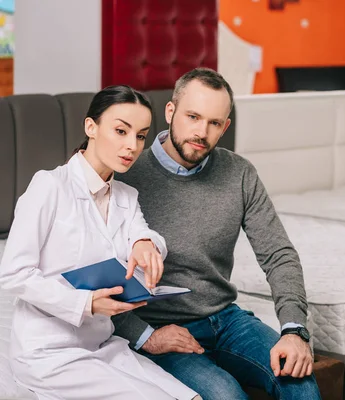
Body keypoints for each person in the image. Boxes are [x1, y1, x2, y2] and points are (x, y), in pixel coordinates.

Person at [113, 68, 322, 399]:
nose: (201, 131)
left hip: (226, 319)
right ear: (170, 112)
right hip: (160, 327)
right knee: (226, 395)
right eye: (192, 116)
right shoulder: (124, 173)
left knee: (301, 383)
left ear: (225, 127)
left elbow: (278, 255)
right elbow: (93, 277)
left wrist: (294, 329)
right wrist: (144, 335)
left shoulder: (239, 173)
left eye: (213, 123)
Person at [0, 86, 200, 400]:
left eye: (140, 136)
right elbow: (13, 274)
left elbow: (146, 237)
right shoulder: (49, 186)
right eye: (120, 130)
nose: (131, 146)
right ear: (90, 127)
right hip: (49, 352)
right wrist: (86, 304)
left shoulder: (125, 196)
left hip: (103, 343)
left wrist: (144, 243)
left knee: (190, 397)